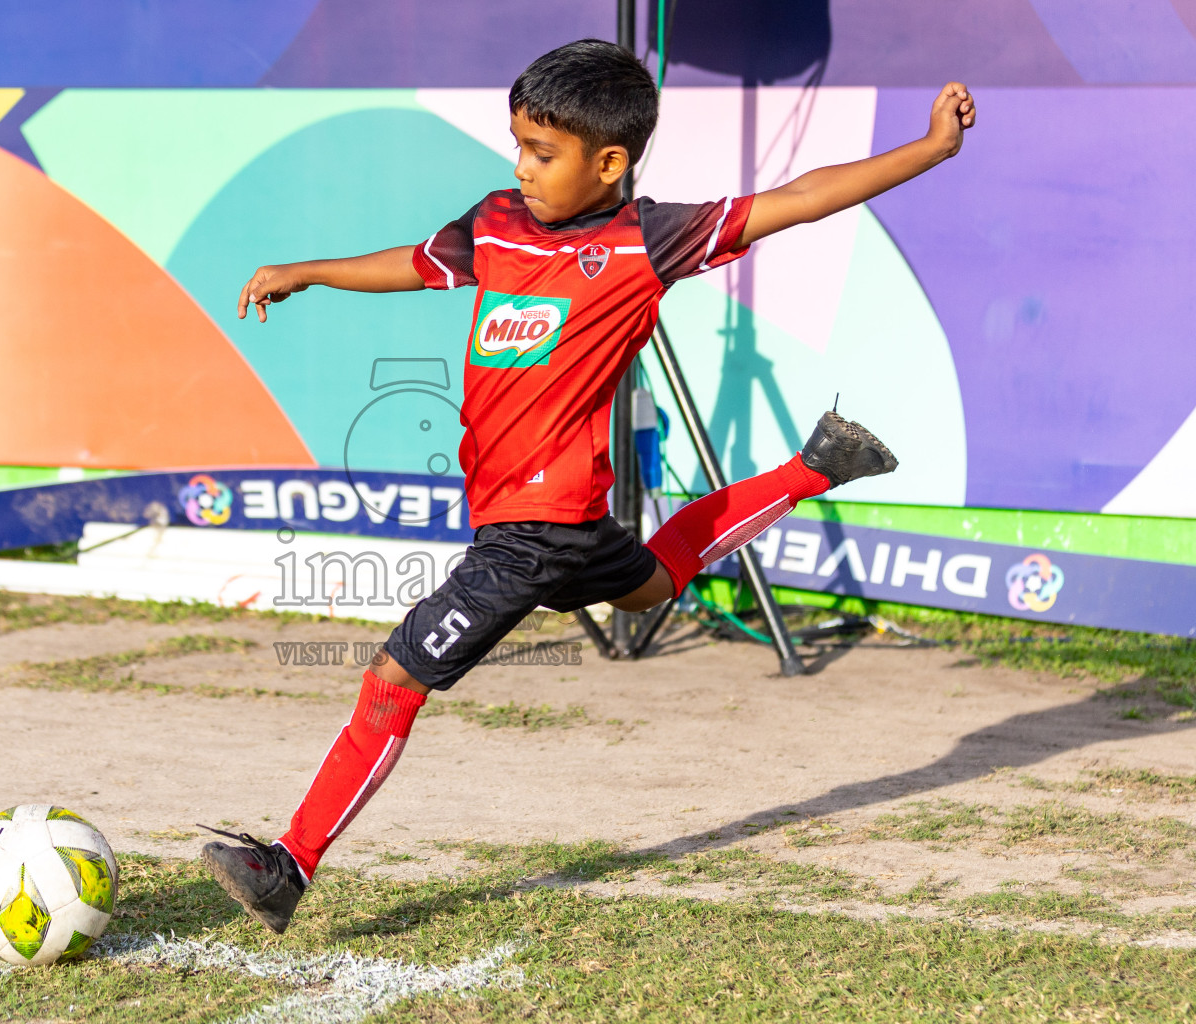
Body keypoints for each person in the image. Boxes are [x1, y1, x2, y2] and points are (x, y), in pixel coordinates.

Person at [201, 39, 976, 934]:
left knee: (391, 679)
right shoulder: (495, 222)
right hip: (564, 526)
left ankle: (289, 866)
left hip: (533, 533)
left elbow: (799, 201)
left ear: (609, 163)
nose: (521, 167)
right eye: (519, 145)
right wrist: (309, 271)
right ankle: (817, 466)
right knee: (654, 581)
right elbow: (415, 262)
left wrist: (931, 149)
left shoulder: (644, 240)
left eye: (542, 153)